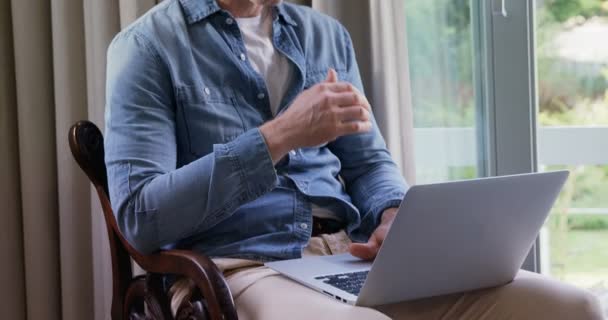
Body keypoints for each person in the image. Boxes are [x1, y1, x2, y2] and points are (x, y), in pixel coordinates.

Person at [104, 0, 603, 319]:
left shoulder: (325, 36)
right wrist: (279, 136)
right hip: (240, 266)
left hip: (348, 258)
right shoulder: (149, 47)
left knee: (573, 307)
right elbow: (142, 216)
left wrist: (393, 215)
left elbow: (367, 164)